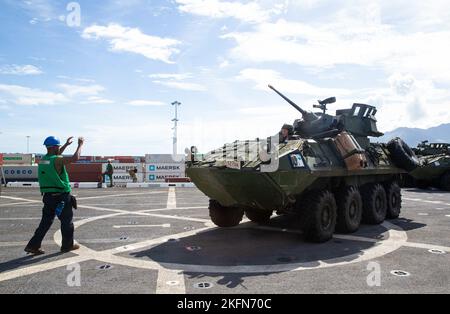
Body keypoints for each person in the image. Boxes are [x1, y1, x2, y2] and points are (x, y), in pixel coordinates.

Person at [25, 136, 84, 255]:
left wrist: (66, 145)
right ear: (55, 147)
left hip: (47, 196)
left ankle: (33, 245)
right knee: (67, 221)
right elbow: (75, 158)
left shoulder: (43, 160)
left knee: (45, 223)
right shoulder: (56, 160)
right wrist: (80, 145)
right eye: (58, 146)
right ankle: (67, 246)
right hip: (61, 197)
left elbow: (55, 156)